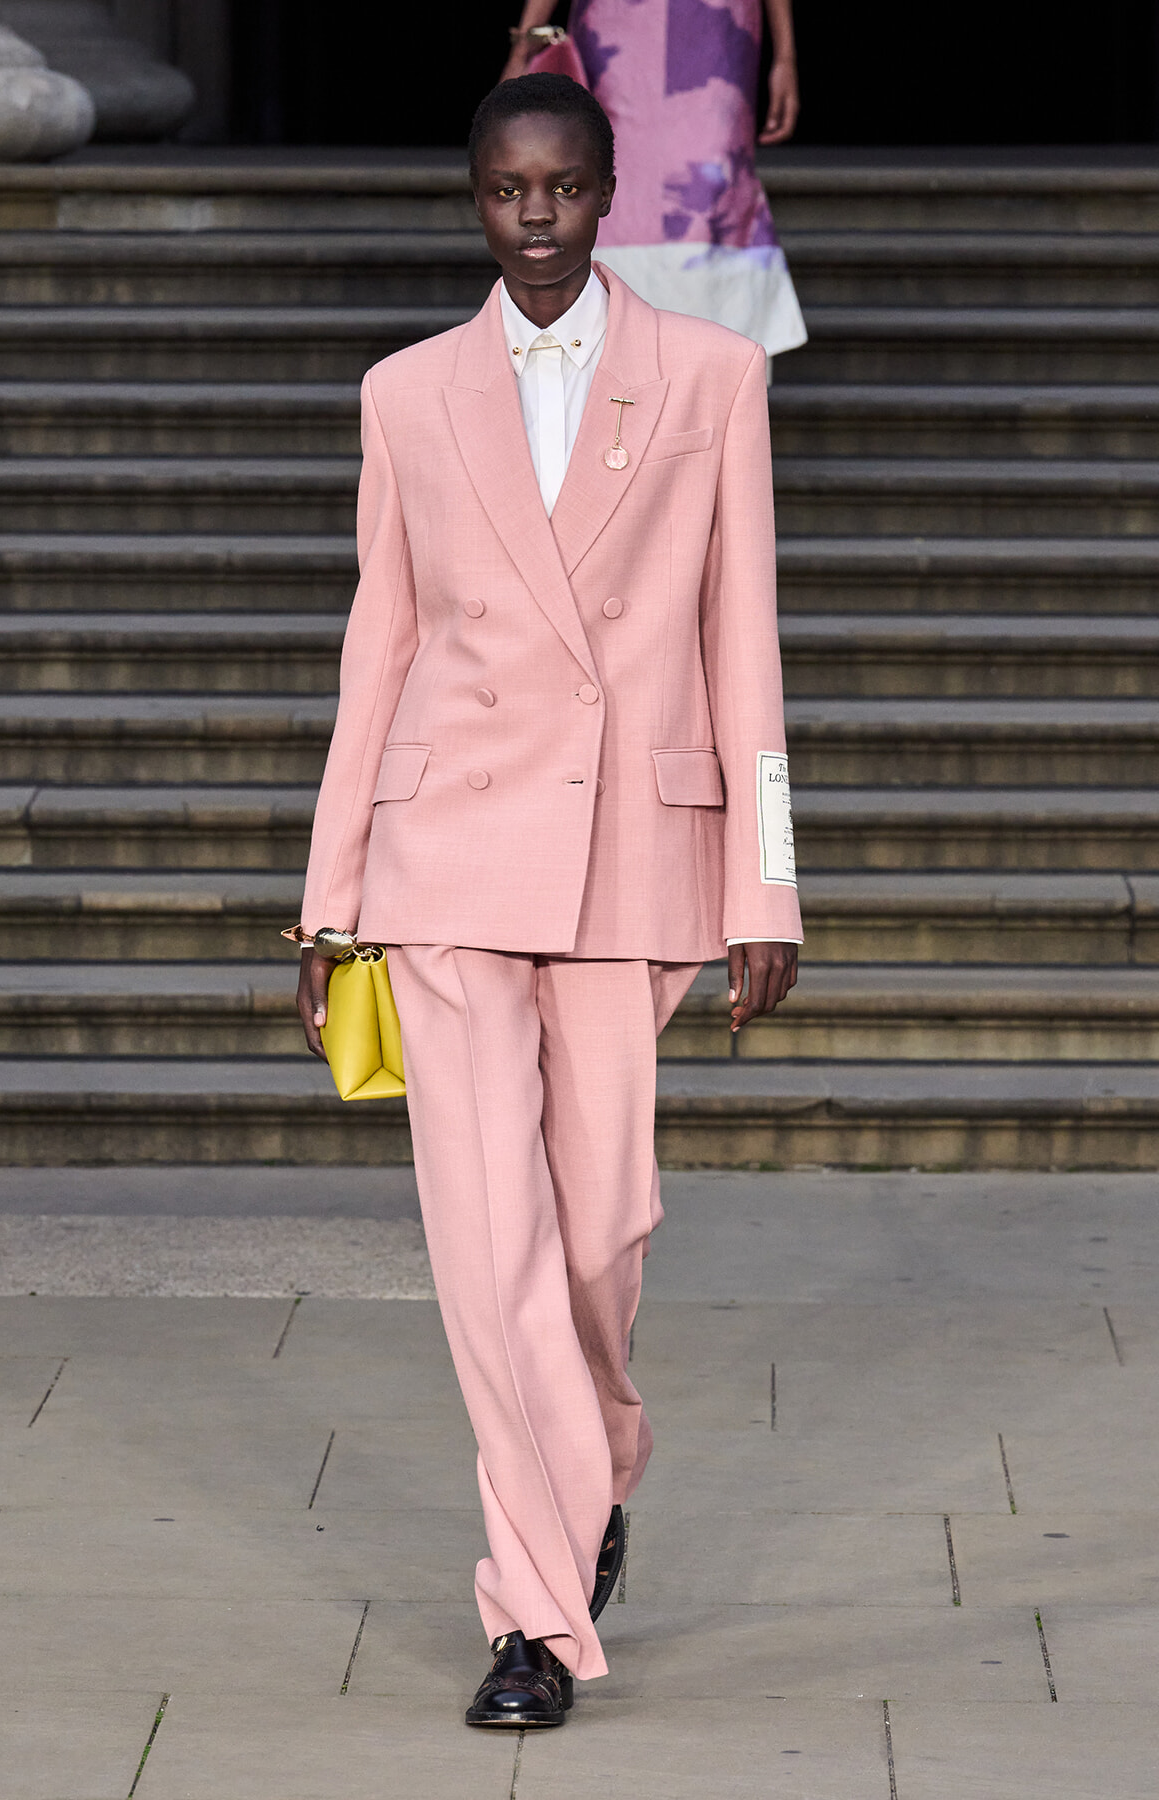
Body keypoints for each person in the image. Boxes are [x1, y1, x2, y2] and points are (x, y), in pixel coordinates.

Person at [294, 71, 801, 1729]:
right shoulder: (408, 394)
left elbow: (747, 643)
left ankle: (591, 1474)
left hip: (627, 868)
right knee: (489, 1244)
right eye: (508, 191)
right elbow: (381, 646)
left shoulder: (714, 380)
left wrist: (769, 879)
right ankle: (533, 1612)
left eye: (564, 189)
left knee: (594, 1245)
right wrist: (331, 897)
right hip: (445, 862)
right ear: (474, 196)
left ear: (605, 192)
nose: (536, 219)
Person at [503, 0, 806, 360]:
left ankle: (724, 373)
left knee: (710, 188)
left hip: (718, 23)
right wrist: (524, 44)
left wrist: (785, 56)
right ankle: (610, 362)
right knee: (611, 182)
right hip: (615, 26)